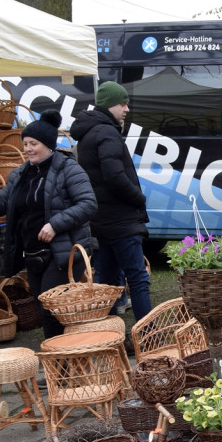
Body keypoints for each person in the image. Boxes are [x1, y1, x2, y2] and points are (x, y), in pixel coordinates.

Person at [0, 110, 97, 338]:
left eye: (33, 143)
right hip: (34, 252)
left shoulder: (69, 169)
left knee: (51, 309)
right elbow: (2, 201)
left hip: (63, 253)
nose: (27, 148)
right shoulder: (20, 173)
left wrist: (55, 224)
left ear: (48, 144)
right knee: (43, 308)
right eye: (25, 143)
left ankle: (62, 363)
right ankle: (61, 359)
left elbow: (88, 204)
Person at [69, 81, 152, 321]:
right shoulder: (106, 131)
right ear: (108, 106)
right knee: (137, 279)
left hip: (102, 220)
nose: (127, 109)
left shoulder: (88, 132)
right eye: (122, 104)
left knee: (107, 280)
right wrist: (139, 198)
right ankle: (147, 336)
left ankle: (109, 332)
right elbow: (114, 175)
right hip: (121, 220)